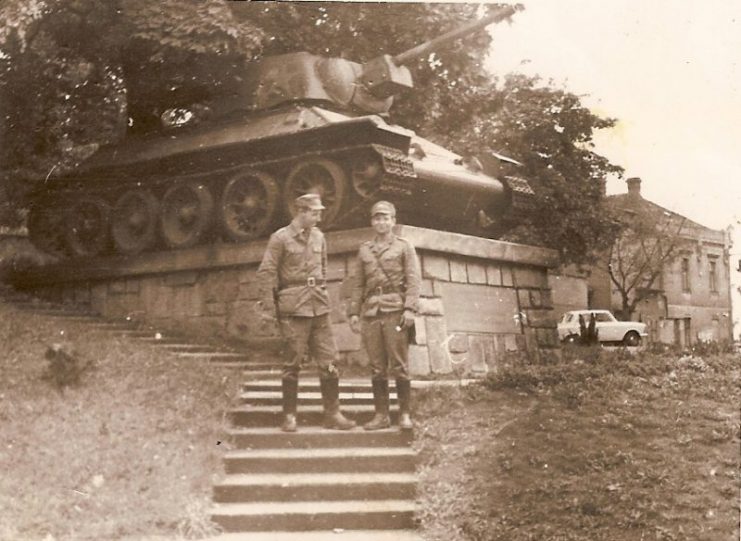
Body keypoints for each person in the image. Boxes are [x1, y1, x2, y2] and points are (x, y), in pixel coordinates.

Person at [256, 193, 356, 433]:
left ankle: (333, 414)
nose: (319, 216)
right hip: (293, 308)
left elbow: (322, 268)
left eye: (319, 212)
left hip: (319, 307)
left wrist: (320, 289)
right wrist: (270, 310)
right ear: (300, 211)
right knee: (292, 363)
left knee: (330, 361)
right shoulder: (280, 238)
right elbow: (266, 273)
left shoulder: (319, 237)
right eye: (314, 212)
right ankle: (289, 416)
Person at [348, 201, 420, 430]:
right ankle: (382, 415)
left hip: (395, 311)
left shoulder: (404, 247)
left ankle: (404, 415)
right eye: (377, 218)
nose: (381, 222)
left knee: (399, 364)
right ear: (372, 222)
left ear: (393, 221)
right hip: (371, 312)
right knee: (377, 367)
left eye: (386, 218)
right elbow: (358, 284)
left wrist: (410, 308)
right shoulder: (364, 250)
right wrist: (353, 312)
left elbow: (413, 280)